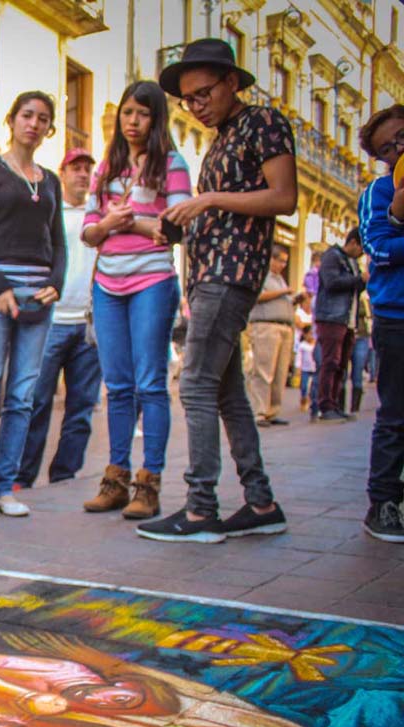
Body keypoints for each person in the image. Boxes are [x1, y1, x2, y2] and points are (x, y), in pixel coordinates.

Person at [141, 38, 294, 542]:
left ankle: (201, 509)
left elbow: (283, 197)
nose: (196, 106)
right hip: (210, 272)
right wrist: (179, 224)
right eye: (188, 100)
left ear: (233, 81)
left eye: (204, 93)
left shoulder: (263, 122)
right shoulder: (222, 137)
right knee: (227, 393)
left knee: (197, 385)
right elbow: (226, 209)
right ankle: (260, 501)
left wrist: (205, 199)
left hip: (230, 275)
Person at [79, 81, 191, 521]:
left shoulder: (172, 165)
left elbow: (175, 226)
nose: (133, 121)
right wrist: (110, 222)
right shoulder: (106, 168)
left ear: (156, 118)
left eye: (142, 113)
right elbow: (89, 234)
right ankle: (116, 479)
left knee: (150, 383)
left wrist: (135, 226)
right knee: (118, 386)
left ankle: (150, 483)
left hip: (151, 281)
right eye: (127, 112)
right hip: (108, 285)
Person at [0, 91, 66, 523]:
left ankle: (4, 488)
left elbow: (58, 242)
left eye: (43, 118)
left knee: (23, 397)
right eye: (27, 115)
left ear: (48, 128)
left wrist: (56, 283)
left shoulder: (51, 180)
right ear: (11, 119)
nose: (34, 124)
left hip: (39, 295)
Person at [16, 148, 101, 491]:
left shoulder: (99, 218)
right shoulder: (50, 212)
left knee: (81, 407)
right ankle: (23, 476)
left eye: (87, 170)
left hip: (89, 324)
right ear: (62, 173)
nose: (82, 174)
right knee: (36, 402)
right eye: (75, 168)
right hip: (50, 321)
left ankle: (64, 475)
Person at [356, 103, 404, 541]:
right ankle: (383, 501)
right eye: (389, 148)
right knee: (394, 413)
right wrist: (399, 215)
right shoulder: (380, 192)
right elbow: (381, 250)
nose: (399, 148)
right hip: (396, 315)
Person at [314, 228, 364, 423]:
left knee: (342, 364)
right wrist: (359, 279)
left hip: (347, 319)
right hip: (331, 317)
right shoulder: (332, 256)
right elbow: (331, 282)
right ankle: (325, 405)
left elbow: (356, 289)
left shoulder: (353, 263)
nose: (361, 253)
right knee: (330, 362)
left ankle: (334, 404)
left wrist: (363, 281)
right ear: (352, 242)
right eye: (360, 248)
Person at [245, 242, 295, 427]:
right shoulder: (262, 276)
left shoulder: (280, 278)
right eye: (280, 261)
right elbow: (257, 296)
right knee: (263, 371)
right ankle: (260, 411)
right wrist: (284, 292)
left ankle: (273, 411)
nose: (283, 265)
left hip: (283, 326)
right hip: (266, 326)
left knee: (280, 373)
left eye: (285, 262)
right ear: (271, 259)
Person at [296, 324, 317, 412]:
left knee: (314, 387)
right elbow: (299, 357)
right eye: (309, 334)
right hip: (305, 369)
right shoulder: (302, 345)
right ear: (304, 335)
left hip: (314, 368)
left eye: (312, 334)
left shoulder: (316, 346)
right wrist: (298, 368)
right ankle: (303, 400)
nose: (310, 336)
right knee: (304, 386)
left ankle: (312, 401)